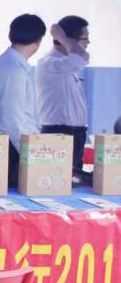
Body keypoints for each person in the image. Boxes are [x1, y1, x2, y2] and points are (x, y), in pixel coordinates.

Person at [0, 14, 46, 187]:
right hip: (15, 147)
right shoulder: (16, 70)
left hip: (3, 143)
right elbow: (14, 120)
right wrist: (29, 154)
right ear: (38, 41)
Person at [37, 16, 91, 182]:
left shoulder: (69, 63)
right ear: (68, 40)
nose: (88, 43)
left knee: (73, 183)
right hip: (59, 133)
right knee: (58, 184)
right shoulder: (50, 63)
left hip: (76, 132)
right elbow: (82, 56)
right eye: (85, 39)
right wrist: (61, 36)